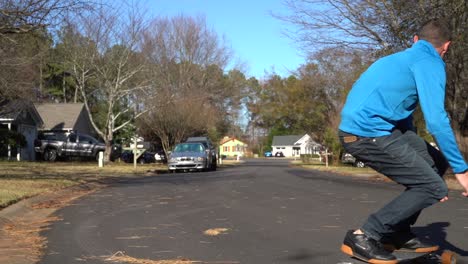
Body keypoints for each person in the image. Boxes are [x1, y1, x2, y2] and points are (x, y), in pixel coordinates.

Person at [338, 18, 468, 264]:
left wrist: (416, 149)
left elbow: (398, 108)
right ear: (447, 46)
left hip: (377, 128)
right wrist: (462, 170)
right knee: (433, 187)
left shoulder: (398, 59)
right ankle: (364, 236)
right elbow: (437, 120)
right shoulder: (431, 63)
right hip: (366, 134)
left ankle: (397, 233)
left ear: (416, 40)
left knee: (436, 162)